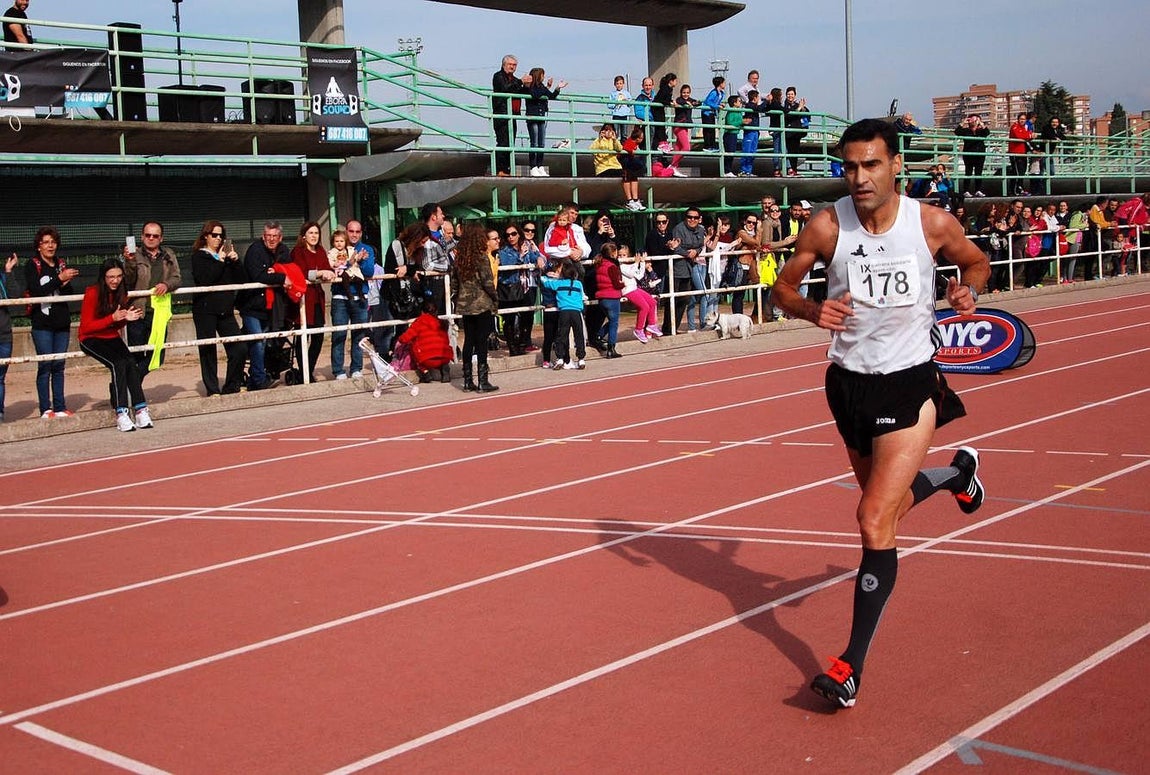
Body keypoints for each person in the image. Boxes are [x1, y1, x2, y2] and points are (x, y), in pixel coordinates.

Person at [771, 119, 989, 709]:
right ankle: (955, 476)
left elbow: (976, 262)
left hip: (909, 383)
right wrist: (812, 311)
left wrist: (967, 290)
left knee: (872, 518)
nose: (860, 177)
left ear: (897, 167)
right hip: (847, 385)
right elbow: (782, 289)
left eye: (871, 165)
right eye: (850, 166)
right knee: (884, 505)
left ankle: (850, 667)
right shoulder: (826, 224)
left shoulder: (930, 223)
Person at [78, 259, 154, 432]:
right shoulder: (93, 292)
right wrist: (112, 318)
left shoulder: (121, 293)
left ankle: (141, 408)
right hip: (90, 338)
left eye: (119, 276)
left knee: (130, 362)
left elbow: (116, 325)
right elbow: (87, 326)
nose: (115, 280)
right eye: (111, 277)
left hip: (110, 335)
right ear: (103, 277)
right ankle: (121, 413)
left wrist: (125, 319)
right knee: (117, 363)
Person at [24, 226, 79, 418]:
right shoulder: (32, 265)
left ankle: (60, 406)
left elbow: (67, 293)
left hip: (62, 323)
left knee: (59, 365)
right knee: (45, 365)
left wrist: (65, 282)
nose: (50, 246)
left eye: (53, 242)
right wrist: (59, 279)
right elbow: (36, 291)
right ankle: (45, 408)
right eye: (46, 242)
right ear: (39, 246)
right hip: (42, 324)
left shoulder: (60, 263)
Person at [190, 221, 248, 396]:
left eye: (221, 235)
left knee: (239, 348)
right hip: (205, 310)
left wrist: (236, 262)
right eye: (214, 235)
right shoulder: (199, 256)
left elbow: (241, 280)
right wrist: (220, 260)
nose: (218, 239)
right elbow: (205, 278)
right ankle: (212, 390)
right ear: (205, 236)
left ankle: (231, 386)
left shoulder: (226, 258)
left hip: (225, 310)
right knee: (208, 350)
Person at [123, 221, 182, 379]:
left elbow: (177, 278)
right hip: (137, 312)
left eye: (155, 236)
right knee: (135, 356)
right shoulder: (134, 254)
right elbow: (127, 281)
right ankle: (132, 392)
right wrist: (129, 261)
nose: (151, 238)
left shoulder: (169, 255)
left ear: (161, 238)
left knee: (157, 356)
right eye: (148, 235)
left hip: (159, 314)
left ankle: (129, 385)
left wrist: (166, 284)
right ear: (142, 236)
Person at [240, 221, 291, 391]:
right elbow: (257, 275)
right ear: (263, 236)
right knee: (257, 342)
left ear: (280, 237)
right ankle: (258, 379)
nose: (271, 239)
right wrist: (280, 277)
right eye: (268, 236)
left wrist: (278, 271)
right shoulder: (255, 250)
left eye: (274, 236)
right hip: (251, 305)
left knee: (267, 342)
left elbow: (289, 268)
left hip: (271, 307)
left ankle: (258, 378)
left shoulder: (283, 250)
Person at [452, 225, 500, 392]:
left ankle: (467, 381)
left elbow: (454, 284)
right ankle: (482, 380)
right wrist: (495, 297)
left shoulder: (459, 259)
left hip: (465, 305)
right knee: (482, 341)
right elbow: (487, 282)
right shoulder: (481, 258)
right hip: (481, 304)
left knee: (468, 341)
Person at [328, 223, 374, 380]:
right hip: (340, 297)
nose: (354, 234)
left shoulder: (367, 249)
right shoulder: (336, 250)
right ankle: (338, 370)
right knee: (339, 335)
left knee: (358, 336)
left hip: (360, 298)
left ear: (361, 233)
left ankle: (356, 368)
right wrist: (350, 261)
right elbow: (332, 265)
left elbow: (369, 271)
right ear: (346, 232)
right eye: (351, 231)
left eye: (357, 231)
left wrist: (358, 261)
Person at [290, 221, 334, 381]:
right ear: (304, 236)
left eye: (316, 233)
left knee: (318, 337)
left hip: (317, 299)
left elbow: (327, 268)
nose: (314, 236)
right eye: (311, 233)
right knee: (303, 338)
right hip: (302, 300)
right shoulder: (298, 251)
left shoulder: (321, 250)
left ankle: (308, 370)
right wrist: (319, 272)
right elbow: (299, 272)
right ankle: (304, 374)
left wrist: (328, 272)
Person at [497, 222, 541, 356]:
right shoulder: (504, 250)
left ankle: (523, 343)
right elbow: (508, 263)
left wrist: (539, 257)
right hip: (509, 286)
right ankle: (512, 347)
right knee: (509, 318)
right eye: (508, 235)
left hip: (525, 286)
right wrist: (521, 256)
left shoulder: (526, 245)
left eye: (514, 234)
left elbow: (535, 257)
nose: (511, 237)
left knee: (527, 315)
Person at [540, 257, 586, 371]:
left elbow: (545, 282)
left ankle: (560, 358)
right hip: (576, 311)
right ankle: (581, 358)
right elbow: (583, 296)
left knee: (562, 335)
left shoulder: (559, 284)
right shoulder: (578, 284)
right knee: (579, 335)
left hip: (564, 311)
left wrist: (542, 272)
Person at [665, 207, 706, 333]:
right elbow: (675, 248)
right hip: (676, 270)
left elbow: (700, 245)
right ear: (685, 217)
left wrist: (696, 251)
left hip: (690, 269)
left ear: (699, 219)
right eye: (689, 217)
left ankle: (674, 327)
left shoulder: (700, 230)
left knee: (684, 300)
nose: (692, 219)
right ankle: (667, 329)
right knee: (672, 300)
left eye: (695, 217)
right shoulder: (678, 229)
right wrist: (688, 253)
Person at [396, 300, 453, 383]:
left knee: (413, 347)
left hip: (426, 359)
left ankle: (425, 373)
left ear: (422, 311)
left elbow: (405, 338)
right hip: (444, 357)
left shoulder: (419, 322)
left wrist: (399, 340)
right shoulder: (442, 322)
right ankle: (445, 369)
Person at [524, 66, 566, 177]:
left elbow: (551, 96)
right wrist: (546, 87)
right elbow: (535, 95)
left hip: (541, 116)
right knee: (534, 142)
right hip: (532, 117)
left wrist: (557, 88)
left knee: (541, 143)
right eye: (542, 75)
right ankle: (533, 167)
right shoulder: (529, 86)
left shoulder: (541, 87)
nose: (543, 77)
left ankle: (540, 166)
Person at [491, 54, 528, 176]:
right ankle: (500, 169)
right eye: (510, 64)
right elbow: (505, 89)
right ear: (504, 65)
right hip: (501, 113)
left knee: (510, 142)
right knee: (503, 142)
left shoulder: (514, 79)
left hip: (512, 114)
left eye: (514, 65)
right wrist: (520, 82)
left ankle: (506, 169)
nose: (512, 67)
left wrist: (526, 86)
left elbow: (519, 91)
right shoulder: (498, 76)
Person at [618, 244, 660, 342]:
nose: (621, 257)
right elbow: (631, 273)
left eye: (624, 255)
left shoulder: (630, 265)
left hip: (635, 288)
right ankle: (639, 329)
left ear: (627, 255)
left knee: (652, 302)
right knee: (644, 307)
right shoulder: (621, 266)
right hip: (628, 290)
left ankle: (651, 325)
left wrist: (642, 262)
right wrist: (636, 263)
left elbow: (639, 275)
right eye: (619, 255)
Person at [593, 242, 625, 358]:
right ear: (613, 253)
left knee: (611, 321)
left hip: (602, 297)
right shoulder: (612, 266)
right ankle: (611, 348)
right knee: (614, 323)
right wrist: (623, 284)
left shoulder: (599, 264)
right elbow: (616, 284)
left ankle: (597, 336)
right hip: (612, 297)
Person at [954, 114, 989, 196]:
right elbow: (957, 132)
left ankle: (978, 190)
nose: (973, 121)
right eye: (971, 119)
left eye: (975, 120)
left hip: (980, 154)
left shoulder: (980, 131)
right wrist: (963, 123)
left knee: (978, 173)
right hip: (968, 154)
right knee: (968, 172)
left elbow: (987, 133)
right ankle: (966, 190)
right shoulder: (966, 131)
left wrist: (981, 124)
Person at [0, 252, 16, 422]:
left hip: (3, 334)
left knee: (0, 377)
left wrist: (9, 271)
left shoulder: (2, 277)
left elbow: (15, 295)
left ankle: (0, 413)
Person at [670, 83, 700, 174]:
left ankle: (674, 166)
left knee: (679, 147)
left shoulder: (690, 100)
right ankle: (673, 165)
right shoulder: (679, 100)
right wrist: (686, 103)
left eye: (687, 92)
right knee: (686, 147)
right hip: (679, 125)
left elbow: (698, 102)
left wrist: (694, 103)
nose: (685, 94)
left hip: (685, 126)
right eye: (683, 92)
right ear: (681, 93)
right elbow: (679, 101)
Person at [782, 87, 809, 176]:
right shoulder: (784, 105)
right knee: (788, 152)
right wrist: (798, 108)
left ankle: (794, 170)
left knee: (795, 152)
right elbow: (788, 115)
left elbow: (807, 115)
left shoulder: (798, 105)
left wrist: (803, 108)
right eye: (788, 94)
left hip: (796, 133)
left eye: (792, 94)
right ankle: (788, 170)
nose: (790, 96)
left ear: (795, 95)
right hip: (788, 133)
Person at [1007, 112, 1033, 196]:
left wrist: (1028, 135)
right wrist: (1030, 135)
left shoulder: (1023, 128)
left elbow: (1025, 135)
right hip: (1015, 153)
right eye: (1021, 119)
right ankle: (1014, 190)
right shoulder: (1015, 127)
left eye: (1024, 119)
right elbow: (1019, 135)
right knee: (1017, 172)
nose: (1022, 121)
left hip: (1022, 153)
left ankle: (1020, 188)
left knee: (1022, 172)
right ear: (1018, 119)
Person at [721, 94, 747, 178]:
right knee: (729, 152)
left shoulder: (738, 111)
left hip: (734, 134)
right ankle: (726, 170)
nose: (740, 103)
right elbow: (730, 122)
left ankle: (728, 170)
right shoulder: (731, 111)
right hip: (729, 134)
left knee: (731, 152)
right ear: (734, 103)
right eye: (739, 101)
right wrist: (742, 122)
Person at [701, 76, 726, 152]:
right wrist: (717, 106)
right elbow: (708, 101)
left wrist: (720, 104)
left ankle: (712, 146)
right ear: (720, 84)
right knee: (708, 130)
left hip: (712, 113)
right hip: (706, 112)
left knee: (712, 130)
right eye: (724, 83)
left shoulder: (721, 93)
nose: (725, 84)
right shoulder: (714, 92)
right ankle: (707, 146)